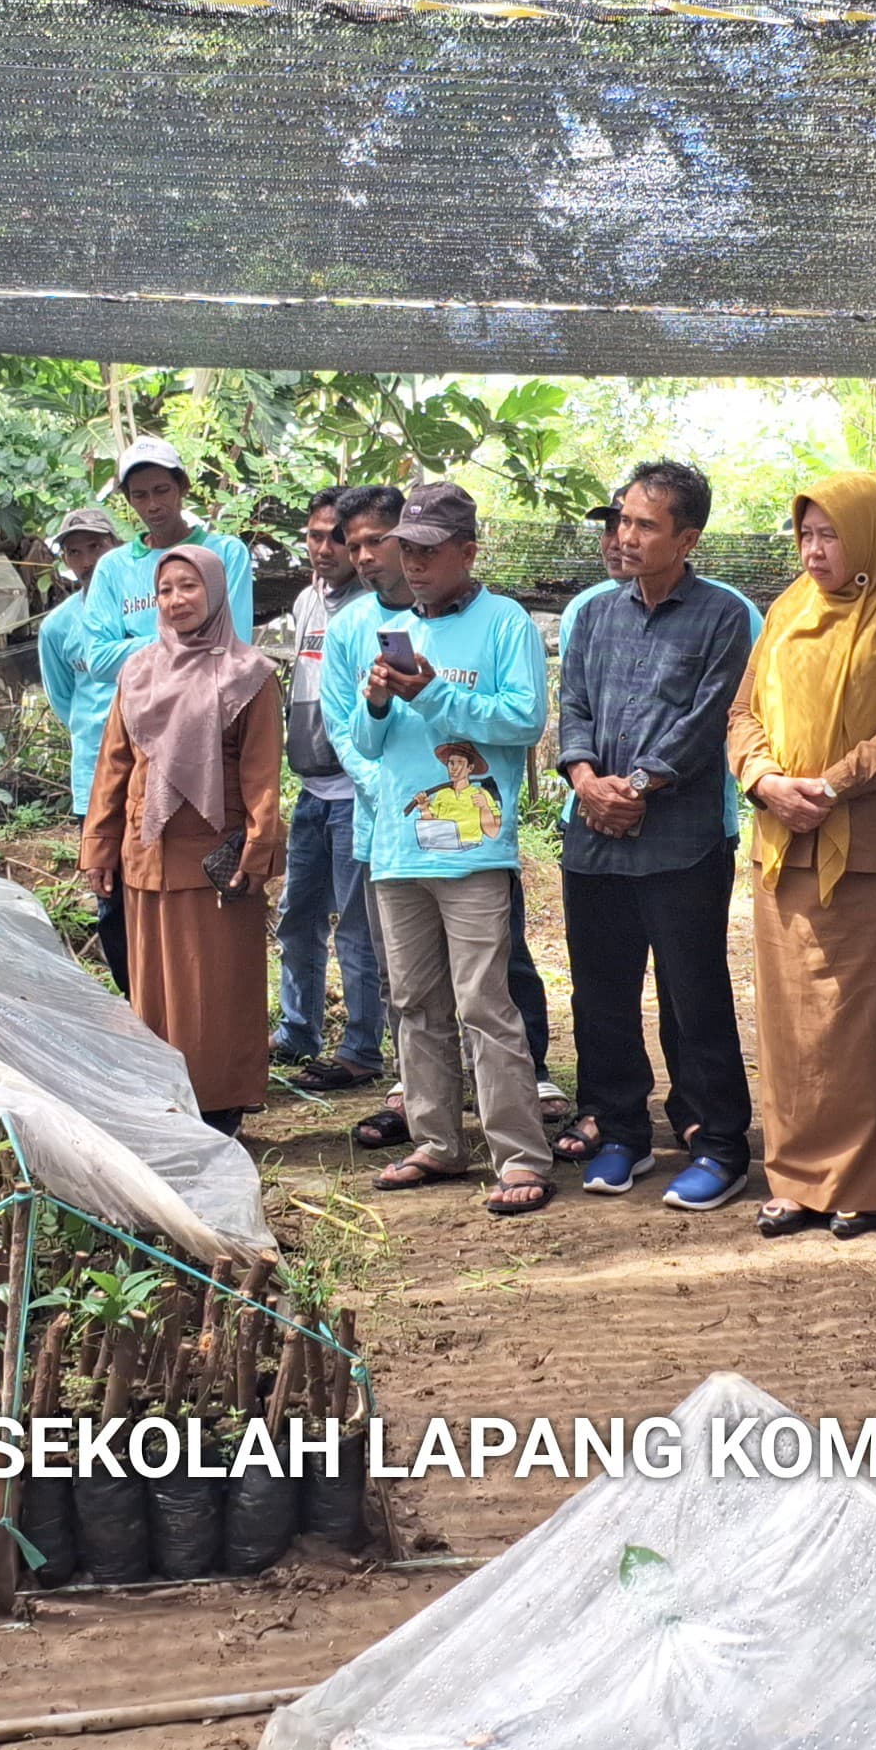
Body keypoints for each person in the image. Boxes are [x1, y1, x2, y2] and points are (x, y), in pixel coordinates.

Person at [729, 470, 876, 1240]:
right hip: (786, 847)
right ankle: (798, 1178)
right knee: (795, 1026)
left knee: (874, 1021)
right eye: (805, 534)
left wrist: (831, 785)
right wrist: (765, 779)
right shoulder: (788, 609)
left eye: (830, 534)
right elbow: (743, 712)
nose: (814, 549)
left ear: (870, 533)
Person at [331, 482, 555, 1217]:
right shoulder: (383, 629)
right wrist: (377, 700)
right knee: (413, 1001)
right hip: (397, 849)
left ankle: (519, 1155)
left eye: (430, 552)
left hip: (472, 850)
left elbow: (523, 720)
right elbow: (365, 743)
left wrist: (430, 694)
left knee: (485, 1004)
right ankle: (435, 1140)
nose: (415, 565)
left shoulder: (504, 623)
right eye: (408, 551)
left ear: (467, 552)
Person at [555, 459, 760, 1205]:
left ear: (687, 538)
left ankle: (721, 1142)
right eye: (622, 520)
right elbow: (572, 707)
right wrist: (587, 783)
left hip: (682, 844)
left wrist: (640, 786)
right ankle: (620, 1134)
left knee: (693, 992)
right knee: (600, 995)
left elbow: (710, 719)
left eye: (645, 524)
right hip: (593, 840)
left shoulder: (723, 616)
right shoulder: (595, 614)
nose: (626, 535)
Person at [79, 545, 286, 1133]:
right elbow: (114, 765)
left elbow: (261, 773)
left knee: (214, 988)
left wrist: (258, 849)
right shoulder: (138, 670)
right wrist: (100, 844)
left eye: (189, 586)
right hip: (145, 853)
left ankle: (218, 1109)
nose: (177, 600)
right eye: (166, 589)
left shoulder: (249, 675)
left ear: (216, 592)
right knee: (155, 991)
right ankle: (166, 1101)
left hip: (216, 860)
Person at [268, 488, 387, 1081]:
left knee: (356, 925)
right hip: (312, 788)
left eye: (335, 538)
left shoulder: (372, 611)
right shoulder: (307, 601)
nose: (323, 549)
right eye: (313, 536)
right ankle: (297, 1031)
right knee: (298, 916)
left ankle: (362, 1049)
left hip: (354, 792)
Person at [36, 504, 128, 987]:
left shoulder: (143, 609)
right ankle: (133, 999)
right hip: (93, 774)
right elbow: (64, 702)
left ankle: (167, 1000)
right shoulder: (56, 627)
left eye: (95, 546)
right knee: (108, 889)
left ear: (116, 547)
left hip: (152, 769)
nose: (87, 558)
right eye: (75, 550)